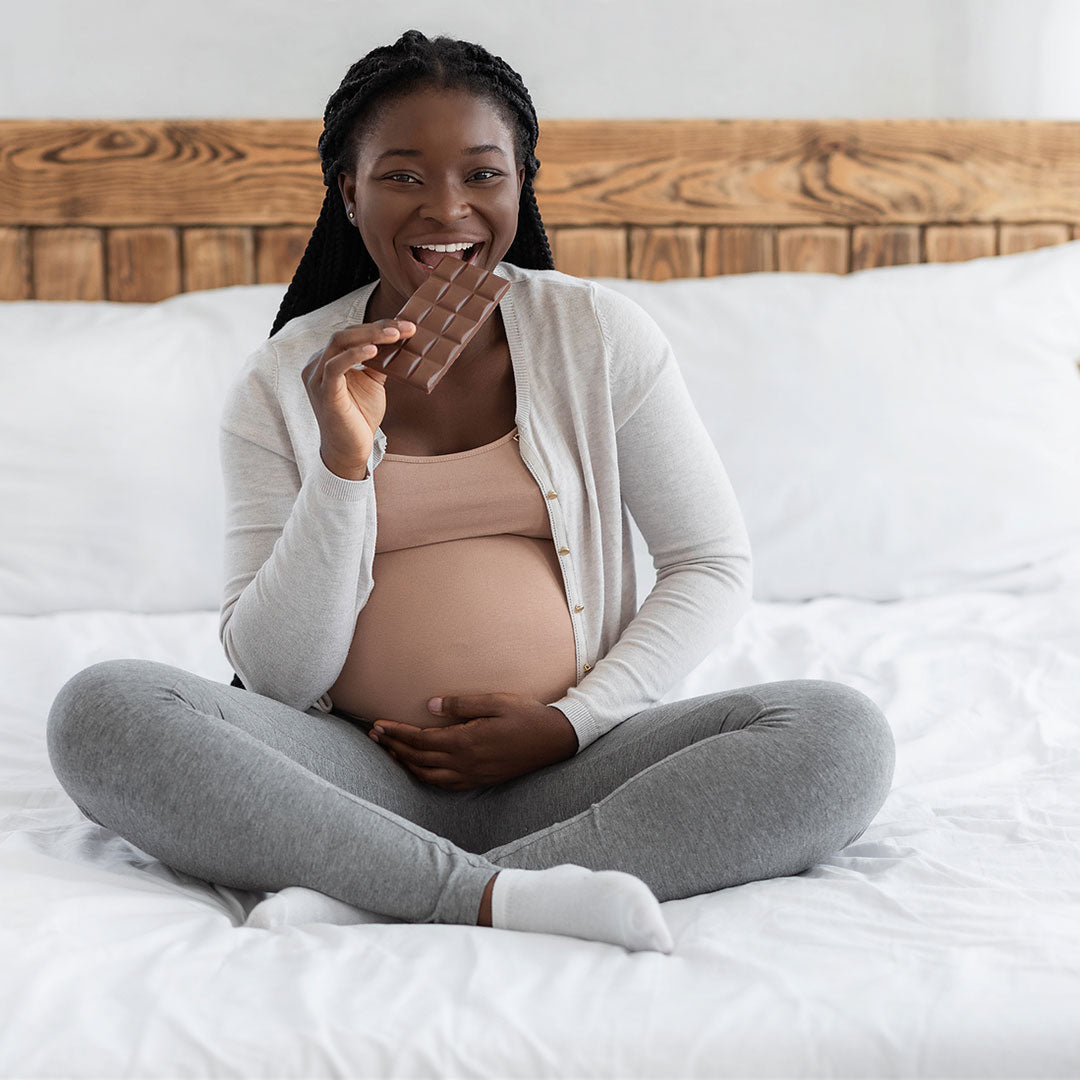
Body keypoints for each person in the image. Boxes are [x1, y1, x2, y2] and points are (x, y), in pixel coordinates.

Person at [45, 30, 895, 954]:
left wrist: (568, 726)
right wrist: (342, 458)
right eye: (403, 176)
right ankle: (488, 894)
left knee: (837, 732)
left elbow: (709, 564)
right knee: (103, 708)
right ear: (349, 191)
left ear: (521, 184)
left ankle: (375, 884)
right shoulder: (278, 385)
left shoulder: (599, 336)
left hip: (578, 766)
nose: (446, 208)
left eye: (482, 175)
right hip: (349, 770)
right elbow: (279, 676)